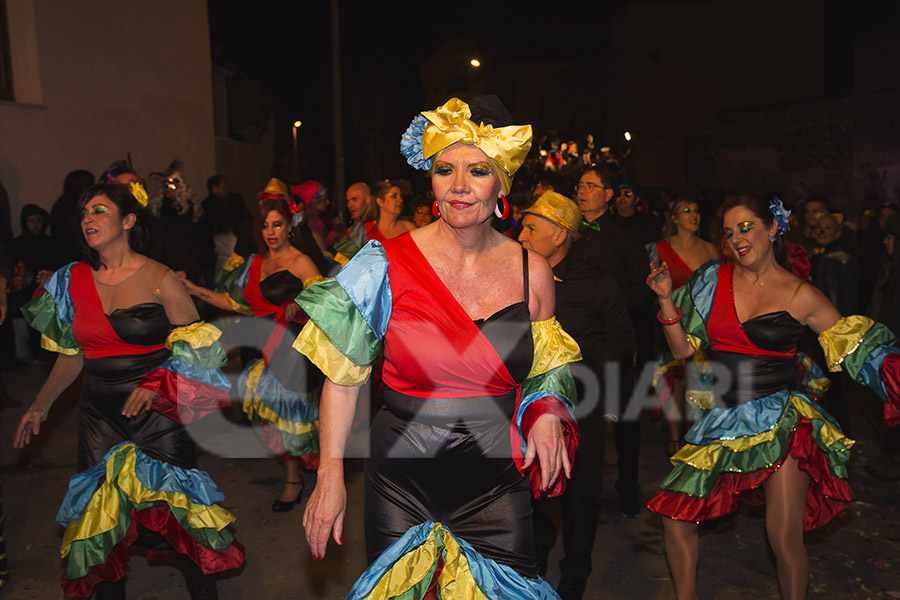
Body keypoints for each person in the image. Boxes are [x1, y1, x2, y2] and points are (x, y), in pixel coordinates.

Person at [299, 96, 580, 598]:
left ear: (500, 184)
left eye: (477, 170)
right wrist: (330, 476)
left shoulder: (531, 271)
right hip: (401, 485)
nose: (459, 186)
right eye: (444, 168)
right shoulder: (381, 264)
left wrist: (545, 413)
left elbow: (546, 366)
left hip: (496, 481)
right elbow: (342, 382)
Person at [645, 193, 900, 600]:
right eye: (729, 233)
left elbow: (859, 347)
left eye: (746, 227)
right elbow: (682, 351)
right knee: (675, 519)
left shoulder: (801, 294)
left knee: (783, 537)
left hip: (780, 420)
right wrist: (663, 298)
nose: (736, 239)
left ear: (773, 228)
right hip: (722, 419)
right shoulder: (712, 279)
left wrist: (894, 374)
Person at [14, 183, 242, 599]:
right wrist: (40, 404)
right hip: (99, 418)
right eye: (84, 213)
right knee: (101, 525)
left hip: (157, 416)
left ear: (128, 220)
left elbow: (203, 352)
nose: (88, 219)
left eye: (99, 210)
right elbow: (73, 354)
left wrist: (157, 385)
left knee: (179, 519)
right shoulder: (72, 280)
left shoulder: (160, 278)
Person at [518, 191, 636, 599]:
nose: (522, 235)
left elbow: (623, 338)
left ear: (559, 236)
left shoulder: (596, 281)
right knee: (521, 483)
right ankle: (538, 536)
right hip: (523, 400)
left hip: (579, 400)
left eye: (532, 228)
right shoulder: (511, 274)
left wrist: (578, 370)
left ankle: (576, 571)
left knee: (580, 490)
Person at [180, 185, 324, 512]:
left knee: (293, 419)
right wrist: (193, 289)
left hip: (294, 351)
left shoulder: (301, 262)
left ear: (290, 226)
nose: (271, 232)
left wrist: (299, 305)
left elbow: (327, 305)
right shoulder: (254, 263)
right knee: (276, 420)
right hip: (266, 350)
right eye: (264, 225)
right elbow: (235, 303)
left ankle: (298, 479)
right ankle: (297, 476)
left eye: (277, 224)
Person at [571, 162, 653, 517]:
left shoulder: (624, 237)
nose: (582, 191)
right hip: (573, 343)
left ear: (607, 195)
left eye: (590, 186)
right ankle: (574, 488)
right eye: (580, 185)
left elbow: (641, 288)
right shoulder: (567, 231)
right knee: (576, 416)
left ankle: (627, 488)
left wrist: (609, 300)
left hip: (612, 340)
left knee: (622, 419)